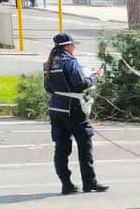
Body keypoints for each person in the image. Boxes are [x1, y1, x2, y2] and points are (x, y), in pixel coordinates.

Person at [43, 32, 107, 195]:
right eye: (73, 45)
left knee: (61, 147)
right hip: (72, 108)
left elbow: (48, 88)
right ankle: (89, 182)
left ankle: (66, 184)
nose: (75, 47)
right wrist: (96, 77)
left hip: (55, 108)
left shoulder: (49, 63)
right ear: (67, 46)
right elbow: (81, 83)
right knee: (85, 143)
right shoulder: (70, 61)